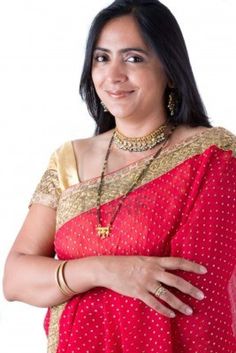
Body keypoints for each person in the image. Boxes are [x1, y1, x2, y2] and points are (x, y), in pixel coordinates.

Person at [3, 0, 236, 352]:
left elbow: (199, 289)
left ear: (170, 69)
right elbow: (15, 279)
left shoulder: (212, 157)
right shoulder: (69, 159)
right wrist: (103, 270)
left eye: (133, 58)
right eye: (102, 57)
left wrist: (67, 278)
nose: (113, 76)